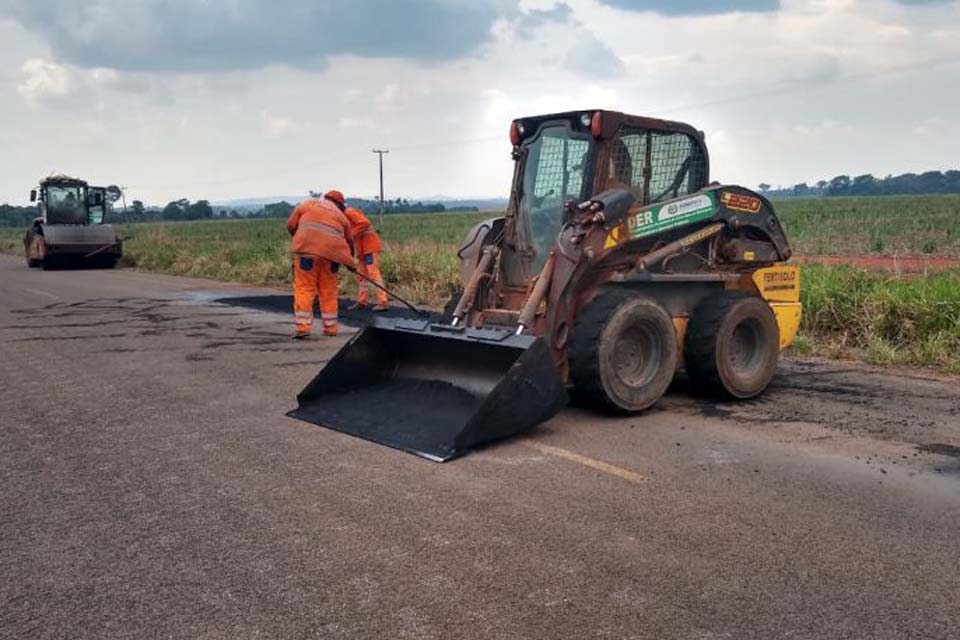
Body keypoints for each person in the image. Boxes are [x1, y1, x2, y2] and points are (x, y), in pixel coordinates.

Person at [286, 190, 354, 339]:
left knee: (304, 289)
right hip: (331, 258)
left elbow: (291, 225)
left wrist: (300, 240)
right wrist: (350, 263)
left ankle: (303, 327)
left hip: (306, 255)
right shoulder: (341, 217)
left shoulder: (306, 205)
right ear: (339, 204)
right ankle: (331, 328)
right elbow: (350, 241)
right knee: (328, 291)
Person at [344, 205, 388, 311]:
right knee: (362, 276)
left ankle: (383, 302)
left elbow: (365, 223)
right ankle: (362, 301)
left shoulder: (349, 212)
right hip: (362, 250)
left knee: (373, 274)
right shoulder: (344, 216)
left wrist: (350, 234)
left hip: (369, 247)